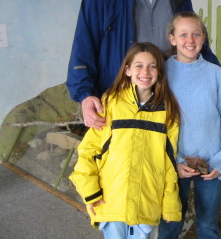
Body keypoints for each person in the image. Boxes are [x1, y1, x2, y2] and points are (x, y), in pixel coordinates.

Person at [66, 0, 220, 130]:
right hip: (119, 99)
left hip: (169, 95)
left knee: (167, 158)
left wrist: (219, 79)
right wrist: (85, 95)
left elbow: (193, 40)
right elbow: (83, 46)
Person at [70, 42, 182, 239]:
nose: (145, 71)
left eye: (152, 66)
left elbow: (170, 161)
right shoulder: (111, 103)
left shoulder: (168, 111)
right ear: (128, 70)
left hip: (147, 205)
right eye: (139, 65)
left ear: (159, 71)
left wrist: (170, 202)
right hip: (112, 202)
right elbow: (89, 149)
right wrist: (90, 191)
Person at [158, 12, 221, 239]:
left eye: (196, 34)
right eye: (183, 35)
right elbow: (157, 123)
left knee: (207, 223)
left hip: (210, 164)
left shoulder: (216, 73)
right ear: (172, 39)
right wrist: (174, 161)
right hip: (175, 162)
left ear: (203, 38)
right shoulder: (162, 73)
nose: (190, 40)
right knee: (170, 221)